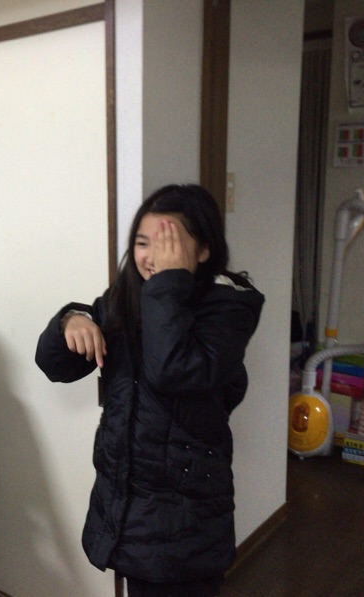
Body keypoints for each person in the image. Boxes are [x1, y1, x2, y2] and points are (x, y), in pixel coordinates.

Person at [35, 184, 264, 597]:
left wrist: (170, 283)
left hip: (185, 513)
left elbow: (173, 370)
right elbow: (55, 365)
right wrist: (70, 320)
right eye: (143, 243)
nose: (152, 256)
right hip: (125, 503)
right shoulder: (125, 299)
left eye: (168, 243)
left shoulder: (228, 309)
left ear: (204, 250)